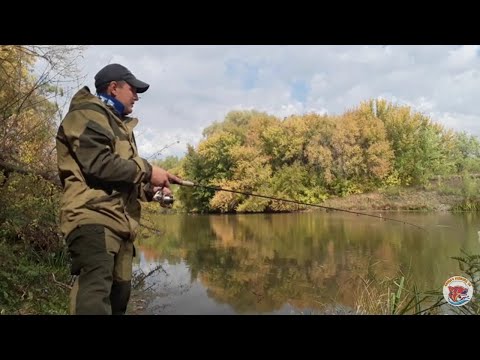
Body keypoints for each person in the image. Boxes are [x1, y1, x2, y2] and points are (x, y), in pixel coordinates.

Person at [56, 63, 182, 315]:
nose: (136, 96)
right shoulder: (87, 113)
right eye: (133, 89)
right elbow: (98, 165)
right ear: (114, 88)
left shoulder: (120, 127)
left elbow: (124, 178)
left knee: (119, 297)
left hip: (121, 226)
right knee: (94, 293)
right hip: (92, 219)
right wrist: (148, 170)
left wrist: (154, 190)